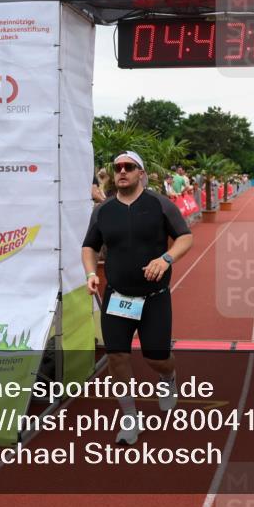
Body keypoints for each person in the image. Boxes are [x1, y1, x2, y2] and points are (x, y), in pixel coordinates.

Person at [82, 150, 193, 445]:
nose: (122, 171)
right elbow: (89, 247)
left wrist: (166, 258)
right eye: (117, 167)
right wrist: (90, 273)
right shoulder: (103, 211)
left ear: (140, 173)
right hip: (117, 297)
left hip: (154, 298)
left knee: (156, 357)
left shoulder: (160, 204)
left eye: (128, 167)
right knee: (117, 357)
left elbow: (186, 236)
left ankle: (168, 378)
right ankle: (130, 418)